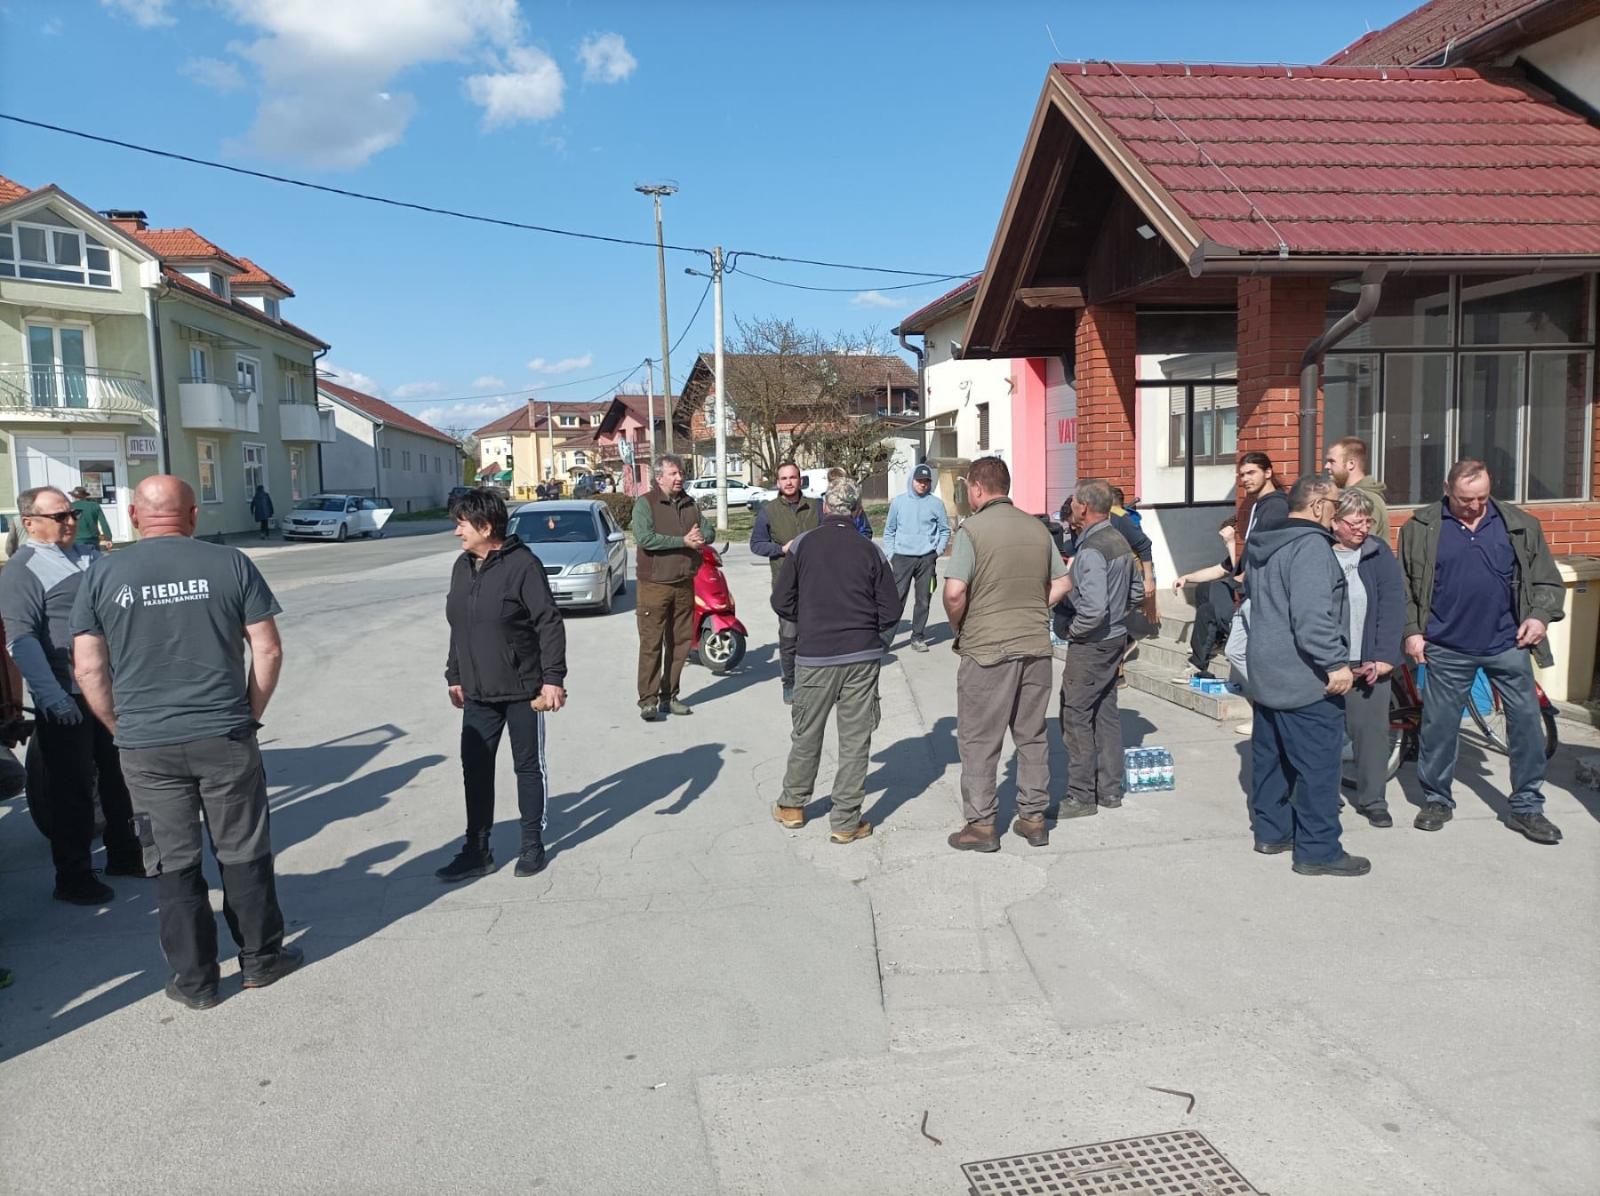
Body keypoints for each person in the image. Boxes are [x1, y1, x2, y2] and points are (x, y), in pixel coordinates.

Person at [71, 476, 298, 1010]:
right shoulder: (231, 563)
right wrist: (249, 714)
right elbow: (268, 650)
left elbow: (87, 669)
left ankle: (195, 982)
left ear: (133, 517)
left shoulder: (102, 573)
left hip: (147, 745)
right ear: (193, 515)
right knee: (242, 849)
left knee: (173, 860)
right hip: (224, 733)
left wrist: (120, 728)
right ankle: (260, 961)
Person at [1399, 459, 1565, 844]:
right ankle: (1437, 800)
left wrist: (1539, 616)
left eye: (1482, 498)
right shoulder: (1420, 527)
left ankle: (1526, 807)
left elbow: (1547, 582)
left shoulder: (1519, 524)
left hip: (1508, 644)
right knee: (1439, 728)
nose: (1474, 506)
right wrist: (1412, 631)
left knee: (1526, 724)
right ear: (1446, 489)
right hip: (1446, 646)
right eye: (1465, 499)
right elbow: (1404, 586)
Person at [0, 486, 143, 904]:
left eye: (72, 514)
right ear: (30, 523)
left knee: (118, 779)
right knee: (72, 791)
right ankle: (73, 877)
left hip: (108, 691)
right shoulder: (23, 570)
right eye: (59, 516)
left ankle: (124, 855)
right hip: (67, 697)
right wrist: (52, 697)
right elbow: (21, 640)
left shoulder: (89, 557)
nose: (70, 522)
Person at [439, 488, 567, 882]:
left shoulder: (523, 565)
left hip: (523, 690)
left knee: (527, 768)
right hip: (477, 691)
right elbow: (459, 624)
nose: (457, 531)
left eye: (462, 523)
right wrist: (454, 674)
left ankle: (532, 844)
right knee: (475, 769)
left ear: (485, 526)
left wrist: (553, 679)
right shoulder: (463, 566)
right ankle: (477, 850)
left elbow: (548, 622)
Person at [944, 457, 1071, 851]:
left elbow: (954, 592)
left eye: (968, 488)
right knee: (1031, 735)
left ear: (978, 488)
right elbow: (1063, 582)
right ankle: (1033, 818)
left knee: (979, 739)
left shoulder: (972, 530)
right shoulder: (1037, 528)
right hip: (1034, 644)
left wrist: (959, 627)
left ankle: (982, 826)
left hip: (987, 648)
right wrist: (1034, 608)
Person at [1244, 473, 1367, 877]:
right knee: (1318, 768)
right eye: (1335, 505)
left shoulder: (1264, 541)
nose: (1337, 514)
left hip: (1267, 669)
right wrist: (1335, 663)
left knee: (1271, 760)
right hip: (1304, 676)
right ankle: (1318, 850)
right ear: (1317, 505)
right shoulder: (1310, 546)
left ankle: (1272, 832)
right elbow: (1312, 617)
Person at [769, 477, 899, 843]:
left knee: (807, 733)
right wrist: (869, 630)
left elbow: (781, 601)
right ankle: (845, 821)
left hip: (814, 656)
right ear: (857, 510)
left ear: (824, 507)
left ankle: (793, 806)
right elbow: (891, 610)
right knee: (855, 740)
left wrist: (809, 620)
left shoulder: (803, 545)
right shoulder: (870, 550)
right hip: (861, 656)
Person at [1057, 479, 1145, 818]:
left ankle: (1081, 795)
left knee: (1075, 714)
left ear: (1084, 508)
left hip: (1092, 643)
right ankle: (1109, 790)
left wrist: (1074, 631)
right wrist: (1117, 616)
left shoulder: (1093, 549)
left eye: (1074, 502)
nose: (1071, 507)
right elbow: (1136, 592)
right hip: (1114, 638)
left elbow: (1093, 609)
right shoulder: (1118, 540)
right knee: (1106, 712)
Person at [1329, 487, 1405, 827]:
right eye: (1354, 522)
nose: (1362, 529)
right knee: (1325, 734)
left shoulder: (1378, 553)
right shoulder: (1318, 552)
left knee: (1372, 734)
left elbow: (1392, 604)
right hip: (1327, 663)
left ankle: (1373, 800)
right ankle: (1325, 797)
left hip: (1368, 663)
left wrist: (1385, 656)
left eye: (1367, 522)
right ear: (1334, 522)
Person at [631, 454, 713, 721]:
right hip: (654, 585)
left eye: (681, 473)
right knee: (652, 644)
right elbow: (645, 538)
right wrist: (683, 541)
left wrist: (700, 537)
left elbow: (709, 531)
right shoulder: (646, 504)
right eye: (673, 474)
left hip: (684, 583)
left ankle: (670, 696)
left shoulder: (690, 503)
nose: (680, 478)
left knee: (680, 644)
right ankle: (648, 700)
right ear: (659, 477)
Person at [1224, 451, 1290, 724]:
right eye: (1242, 475)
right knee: (1235, 650)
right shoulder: (1258, 505)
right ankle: (1270, 706)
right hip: (1250, 592)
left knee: (1262, 656)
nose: (1245, 479)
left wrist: (1249, 575)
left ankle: (1277, 709)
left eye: (1251, 472)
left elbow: (1272, 551)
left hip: (1264, 594)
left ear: (1268, 472)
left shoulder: (1276, 506)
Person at [750, 462, 821, 704]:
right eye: (784, 478)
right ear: (778, 482)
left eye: (793, 477)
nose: (789, 482)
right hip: (785, 585)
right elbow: (756, 544)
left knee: (816, 635)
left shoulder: (816, 507)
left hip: (815, 584)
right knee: (789, 637)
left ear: (800, 480)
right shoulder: (768, 511)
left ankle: (816, 682)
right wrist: (781, 549)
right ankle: (789, 683)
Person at [883, 464, 950, 653]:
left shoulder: (936, 504)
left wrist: (937, 551)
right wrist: (891, 554)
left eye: (926, 481)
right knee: (896, 600)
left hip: (926, 559)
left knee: (923, 600)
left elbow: (945, 530)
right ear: (912, 480)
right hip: (902, 558)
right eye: (919, 480)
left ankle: (918, 637)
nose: (923, 484)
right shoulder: (899, 502)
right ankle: (885, 640)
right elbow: (889, 530)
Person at [1171, 516, 1239, 681]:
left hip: (1249, 608)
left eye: (1225, 539)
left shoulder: (1249, 551)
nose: (1225, 544)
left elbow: (1240, 574)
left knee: (1207, 611)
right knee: (1204, 588)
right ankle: (1215, 641)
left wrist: (1231, 542)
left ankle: (1197, 664)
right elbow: (1217, 571)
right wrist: (1186, 578)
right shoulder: (1236, 553)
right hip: (1237, 605)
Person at [1323, 437, 1388, 541]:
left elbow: (1363, 545)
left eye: (1332, 461)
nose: (1326, 466)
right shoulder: (1344, 495)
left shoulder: (1368, 500)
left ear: (1351, 464)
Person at [827, 467, 873, 537]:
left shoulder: (853, 504)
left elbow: (865, 531)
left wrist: (855, 541)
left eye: (841, 482)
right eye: (834, 482)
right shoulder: (822, 504)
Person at [69, 486, 112, 555]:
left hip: (76, 541)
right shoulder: (94, 506)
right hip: (93, 540)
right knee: (96, 560)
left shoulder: (69, 507)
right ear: (85, 496)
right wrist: (108, 538)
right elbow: (103, 523)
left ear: (73, 496)